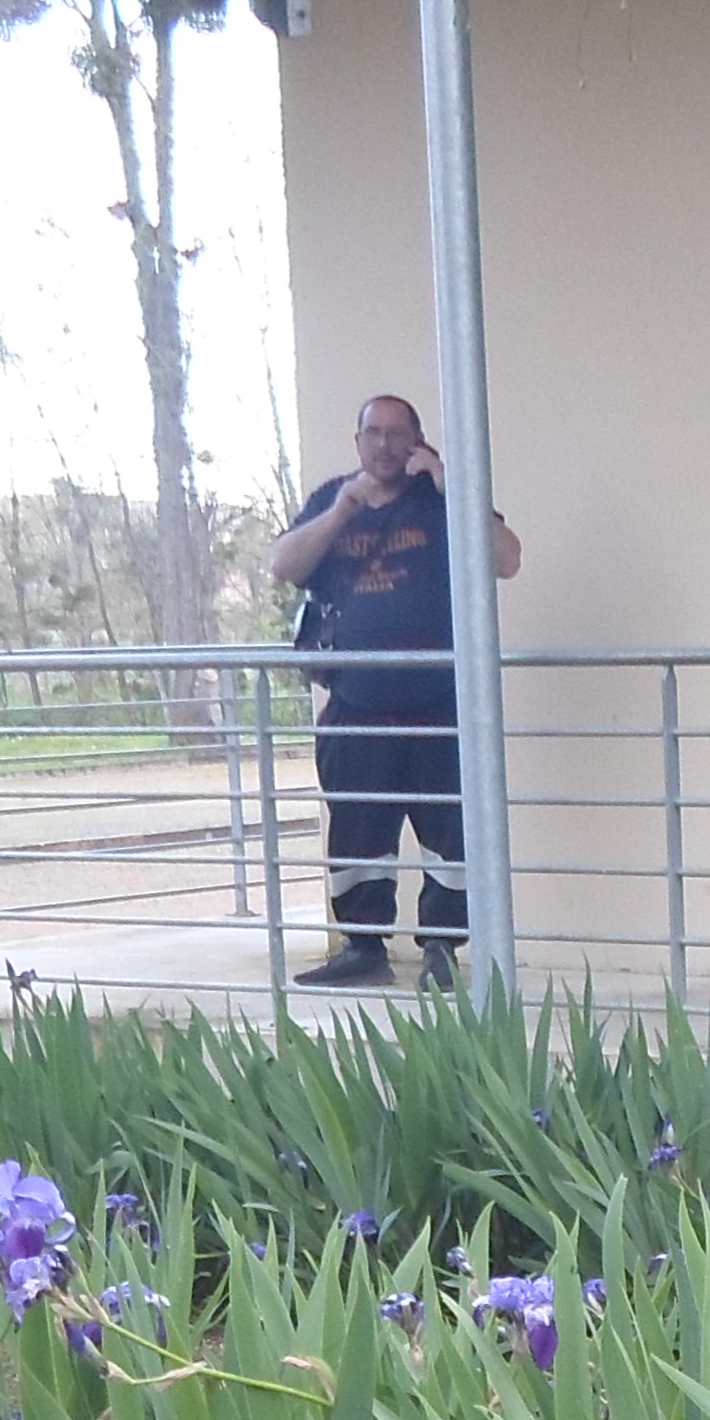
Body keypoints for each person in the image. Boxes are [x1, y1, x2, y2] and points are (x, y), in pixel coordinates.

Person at [264, 394, 522, 990]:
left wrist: (451, 483)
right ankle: (363, 948)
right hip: (356, 702)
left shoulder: (440, 501)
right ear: (358, 442)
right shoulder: (333, 498)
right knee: (357, 828)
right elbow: (283, 565)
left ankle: (440, 950)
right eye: (373, 433)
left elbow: (508, 560)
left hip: (441, 702)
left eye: (397, 434)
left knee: (450, 831)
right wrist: (340, 513)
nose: (384, 445)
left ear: (417, 442)